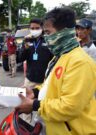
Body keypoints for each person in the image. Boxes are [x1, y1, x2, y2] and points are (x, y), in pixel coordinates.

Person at [16, 7, 96, 135]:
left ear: (64, 32)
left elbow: (70, 107)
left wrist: (35, 105)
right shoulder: (59, 56)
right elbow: (51, 84)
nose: (46, 37)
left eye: (48, 32)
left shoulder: (80, 63)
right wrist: (35, 92)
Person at [20, 18, 53, 89]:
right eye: (32, 28)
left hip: (45, 80)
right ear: (29, 29)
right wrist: (25, 48)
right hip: (30, 80)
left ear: (42, 28)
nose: (35, 30)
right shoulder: (27, 40)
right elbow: (20, 58)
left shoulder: (48, 40)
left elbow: (53, 59)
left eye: (37, 28)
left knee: (42, 100)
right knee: (27, 98)